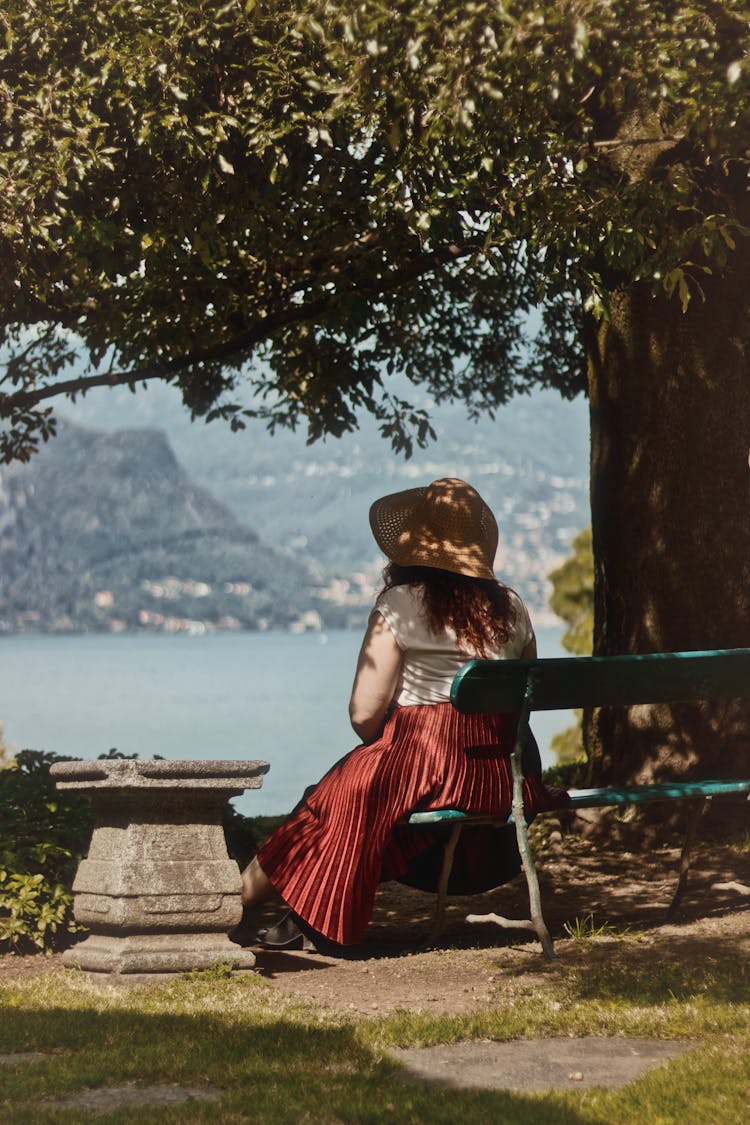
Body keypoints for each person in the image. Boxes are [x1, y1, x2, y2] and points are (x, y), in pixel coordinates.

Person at [232, 477, 567, 952]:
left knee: (332, 800)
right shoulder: (512, 607)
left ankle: (234, 904)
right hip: (499, 774)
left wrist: (398, 728)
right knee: (343, 799)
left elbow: (364, 717)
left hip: (426, 761)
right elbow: (526, 697)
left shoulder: (399, 605)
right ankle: (293, 919)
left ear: (412, 548)